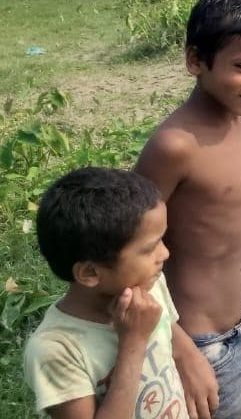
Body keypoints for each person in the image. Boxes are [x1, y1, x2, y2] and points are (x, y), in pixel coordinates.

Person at [135, 0, 241, 419]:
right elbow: (125, 249)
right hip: (198, 341)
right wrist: (180, 348)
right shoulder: (175, 146)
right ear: (195, 61)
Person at [24, 167, 186, 419]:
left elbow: (170, 332)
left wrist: (192, 360)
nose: (165, 254)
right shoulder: (56, 350)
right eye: (150, 248)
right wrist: (133, 342)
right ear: (90, 273)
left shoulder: (147, 286)